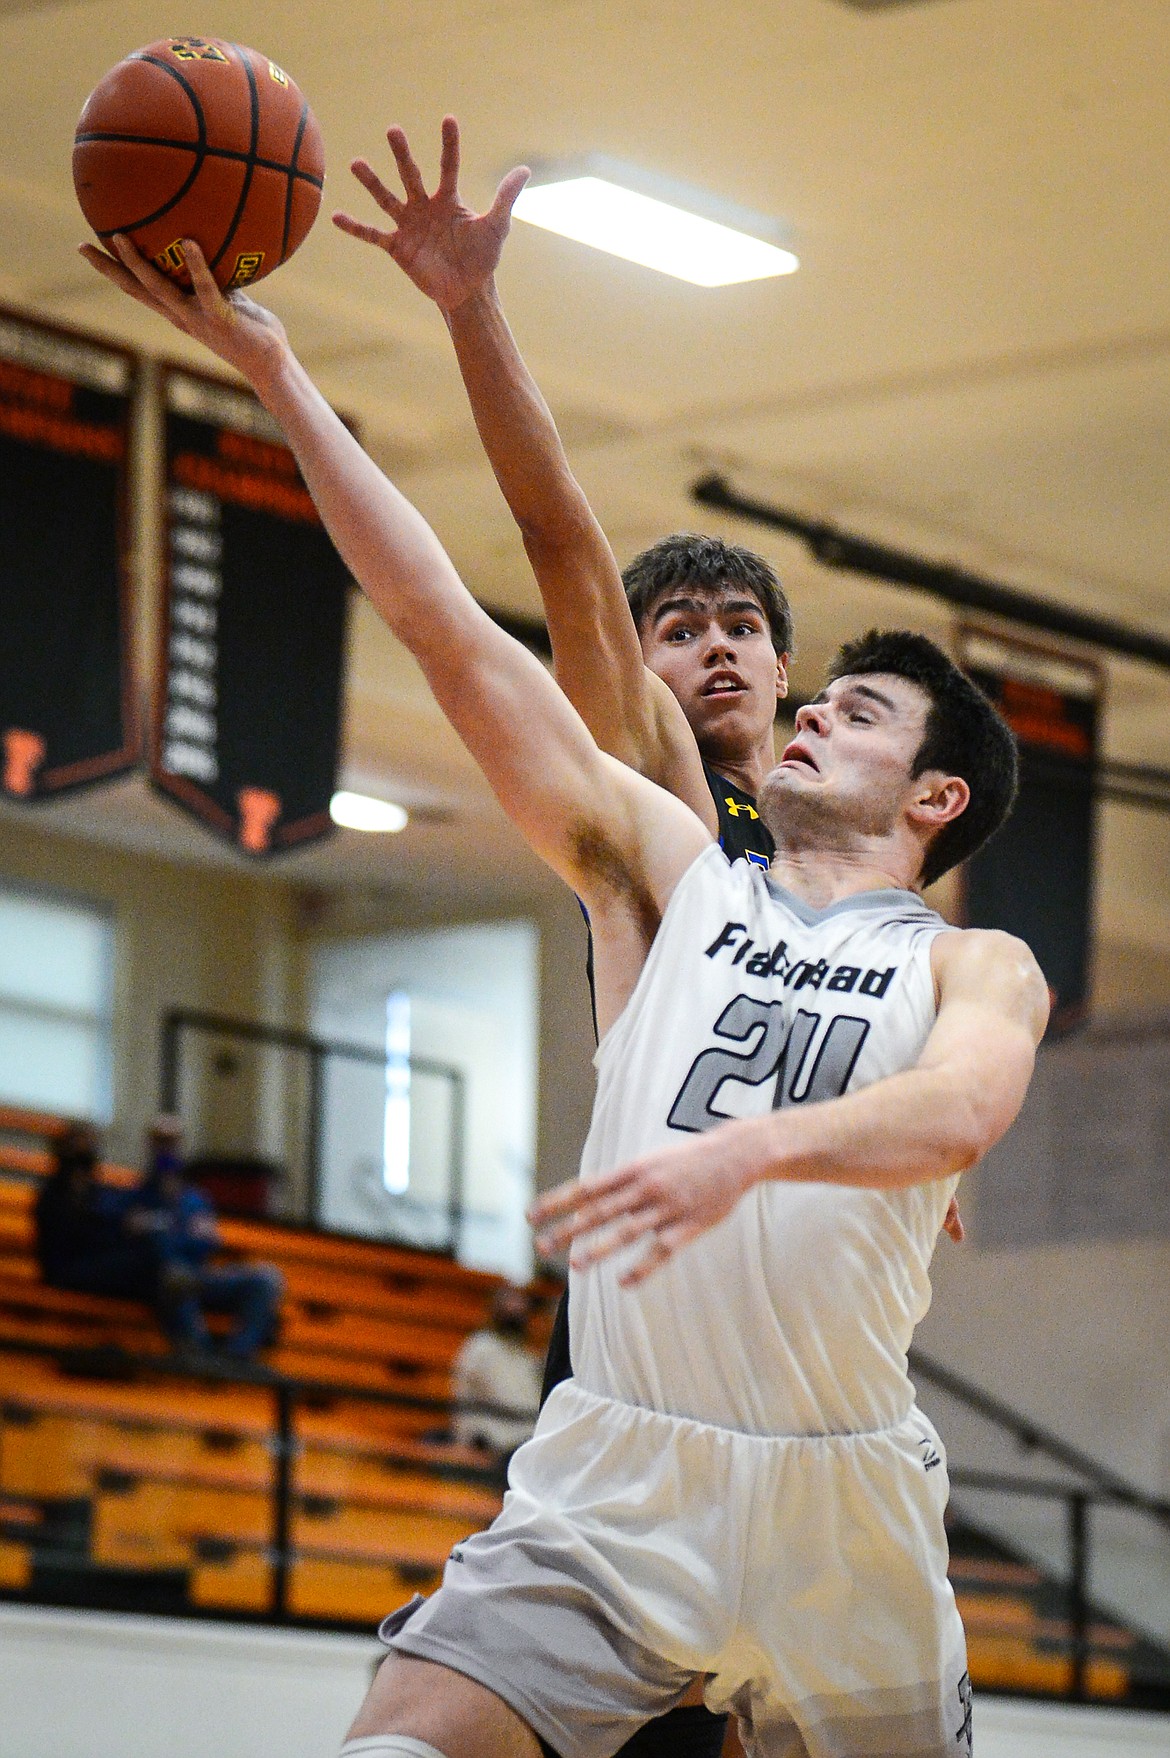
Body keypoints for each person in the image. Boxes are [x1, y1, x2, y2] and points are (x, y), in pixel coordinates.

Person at [81, 232, 1047, 1758]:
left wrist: (768, 1147)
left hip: (839, 1486)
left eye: (831, 699)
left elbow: (968, 1102)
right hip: (624, 1441)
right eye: (697, 639)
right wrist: (275, 364)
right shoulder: (666, 851)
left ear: (933, 794)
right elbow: (459, 614)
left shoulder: (962, 963)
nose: (777, 699)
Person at [126, 1115, 283, 1365]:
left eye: (173, 1141)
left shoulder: (195, 1199)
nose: (167, 1148)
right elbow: (153, 1248)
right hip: (163, 1280)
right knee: (175, 1277)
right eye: (161, 1141)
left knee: (266, 1279)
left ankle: (237, 1357)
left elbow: (207, 1244)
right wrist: (180, 1231)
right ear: (150, 1144)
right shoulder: (137, 1196)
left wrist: (168, 1229)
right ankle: (201, 1357)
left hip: (200, 1275)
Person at [34, 1121, 156, 1302]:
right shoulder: (53, 1195)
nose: (90, 1150)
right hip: (67, 1271)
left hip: (94, 1264)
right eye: (83, 1144)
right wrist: (120, 1228)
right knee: (148, 1262)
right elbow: (69, 1240)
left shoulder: (96, 1192)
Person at [451, 1284, 543, 1471]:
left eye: (521, 1304)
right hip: (490, 1440)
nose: (517, 1309)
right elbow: (502, 1397)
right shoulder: (480, 1347)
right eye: (510, 1303)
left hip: (526, 1439)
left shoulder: (526, 1357)